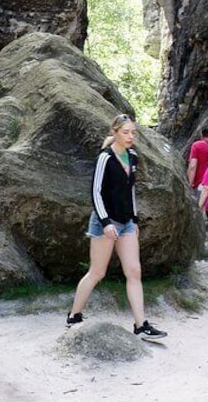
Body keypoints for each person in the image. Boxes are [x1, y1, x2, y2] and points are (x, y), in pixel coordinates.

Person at [66, 114, 167, 340]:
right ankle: (74, 315)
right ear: (114, 132)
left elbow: (130, 191)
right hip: (106, 222)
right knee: (97, 272)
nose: (131, 136)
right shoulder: (105, 157)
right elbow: (95, 192)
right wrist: (105, 223)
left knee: (134, 271)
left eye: (133, 132)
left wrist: (135, 219)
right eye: (126, 132)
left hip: (127, 223)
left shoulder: (132, 156)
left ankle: (141, 325)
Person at [186, 126, 208, 197]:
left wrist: (189, 185)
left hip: (201, 185)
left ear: (202, 135)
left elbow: (192, 166)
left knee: (200, 206)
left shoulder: (197, 145)